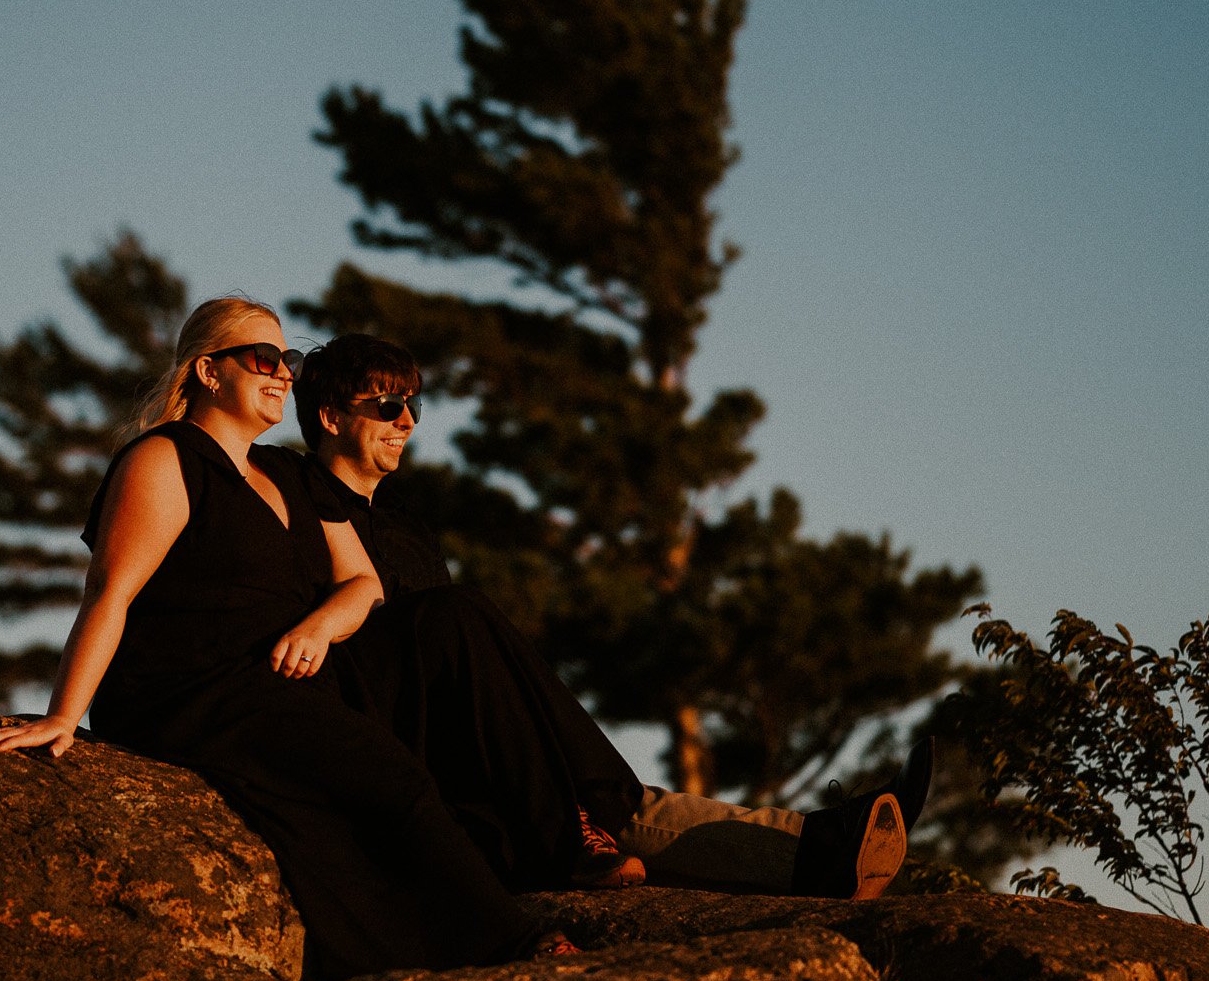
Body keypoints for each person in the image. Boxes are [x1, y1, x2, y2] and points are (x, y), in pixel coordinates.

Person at [0, 299, 576, 981]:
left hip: (288, 667)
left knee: (448, 632)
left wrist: (317, 626)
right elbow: (110, 591)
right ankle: (513, 945)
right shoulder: (165, 458)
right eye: (265, 358)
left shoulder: (288, 472)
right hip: (194, 685)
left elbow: (361, 583)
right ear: (207, 371)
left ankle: (571, 828)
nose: (285, 373)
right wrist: (61, 715)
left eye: (288, 360)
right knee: (388, 776)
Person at [291, 333, 931, 901]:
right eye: (386, 406)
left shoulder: (410, 529)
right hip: (387, 742)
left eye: (413, 406)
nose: (406, 421)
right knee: (474, 636)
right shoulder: (291, 496)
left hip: (466, 752)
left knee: (619, 809)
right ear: (329, 417)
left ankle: (822, 850)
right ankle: (806, 846)